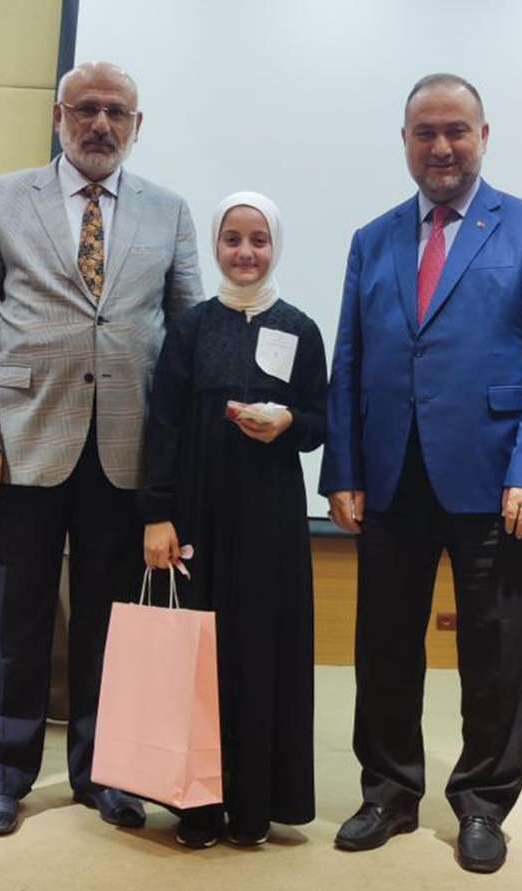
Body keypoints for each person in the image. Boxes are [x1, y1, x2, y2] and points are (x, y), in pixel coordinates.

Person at [320, 73, 522, 874]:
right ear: (405, 142)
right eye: (425, 132)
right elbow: (350, 358)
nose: (441, 146)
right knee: (383, 645)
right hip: (391, 474)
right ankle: (389, 793)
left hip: (498, 481)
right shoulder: (373, 239)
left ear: (483, 136)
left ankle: (482, 802)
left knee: (495, 652)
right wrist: (343, 469)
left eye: (456, 131)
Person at [0, 61, 204, 837]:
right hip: (21, 444)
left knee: (111, 624)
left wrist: (182, 460)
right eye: (85, 109)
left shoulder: (169, 212)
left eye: (116, 112)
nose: (100, 124)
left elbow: (187, 337)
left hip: (127, 447)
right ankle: (1, 777)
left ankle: (106, 771)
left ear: (137, 125)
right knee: (10, 621)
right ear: (59, 117)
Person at [141, 192, 325, 849]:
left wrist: (289, 421)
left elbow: (320, 422)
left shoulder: (300, 328)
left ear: (276, 246)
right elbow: (163, 424)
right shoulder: (191, 327)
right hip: (198, 517)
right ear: (216, 247)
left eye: (258, 240)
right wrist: (157, 514)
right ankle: (196, 806)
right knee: (197, 659)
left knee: (260, 653)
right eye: (232, 239)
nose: (245, 253)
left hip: (270, 521)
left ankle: (253, 805)